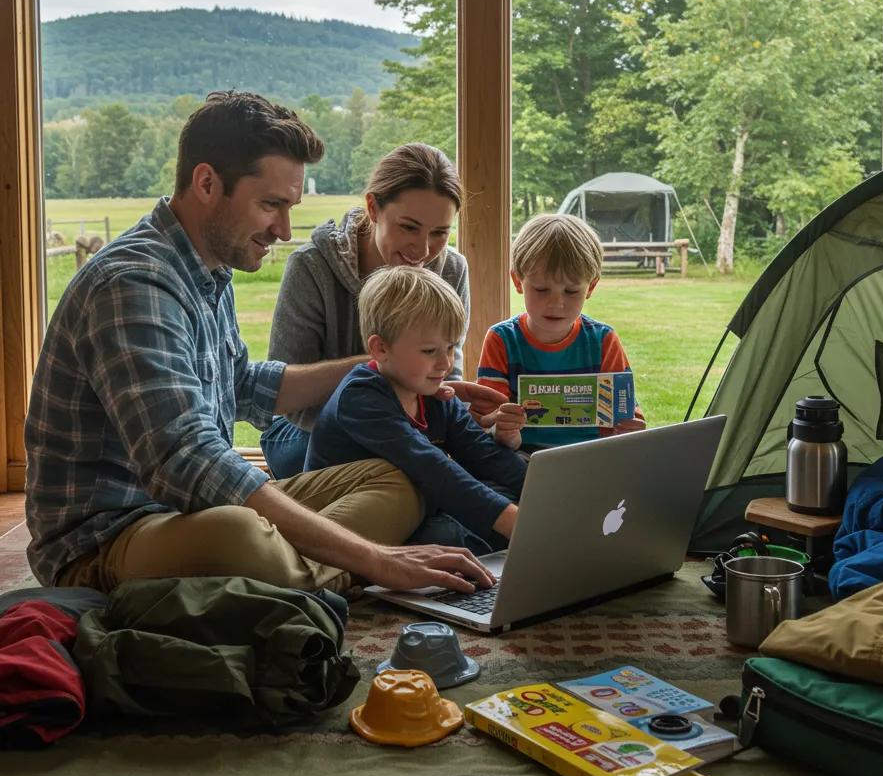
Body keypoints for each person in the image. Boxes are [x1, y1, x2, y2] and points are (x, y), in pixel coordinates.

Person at [24, 91, 493, 597]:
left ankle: (288, 575)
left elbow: (245, 385)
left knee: (394, 480)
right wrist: (378, 559)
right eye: (271, 205)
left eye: (289, 207)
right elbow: (187, 458)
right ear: (207, 183)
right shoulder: (133, 284)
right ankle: (342, 572)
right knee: (242, 533)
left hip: (196, 517)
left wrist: (388, 367)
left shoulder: (207, 269)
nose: (285, 230)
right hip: (110, 539)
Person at [262, 142, 502, 479]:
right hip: (307, 432)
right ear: (373, 208)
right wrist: (387, 392)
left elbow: (444, 376)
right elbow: (286, 400)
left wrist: (459, 413)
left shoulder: (451, 270)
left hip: (407, 431)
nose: (422, 248)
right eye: (408, 227)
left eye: (439, 233)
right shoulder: (312, 267)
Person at [306, 266, 525, 552]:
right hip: (351, 527)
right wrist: (516, 522)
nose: (445, 364)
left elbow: (484, 453)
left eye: (450, 348)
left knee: (507, 489)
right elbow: (432, 468)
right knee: (449, 534)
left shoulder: (433, 393)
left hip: (421, 508)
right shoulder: (360, 398)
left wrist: (547, 495)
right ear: (381, 349)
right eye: (429, 351)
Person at [477, 213, 646, 452]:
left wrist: (631, 428)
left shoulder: (604, 340)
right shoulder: (501, 340)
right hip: (523, 456)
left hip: (591, 456)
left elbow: (626, 418)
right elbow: (488, 426)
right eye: (542, 289)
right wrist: (504, 431)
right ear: (517, 281)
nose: (556, 304)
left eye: (571, 291)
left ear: (591, 287)